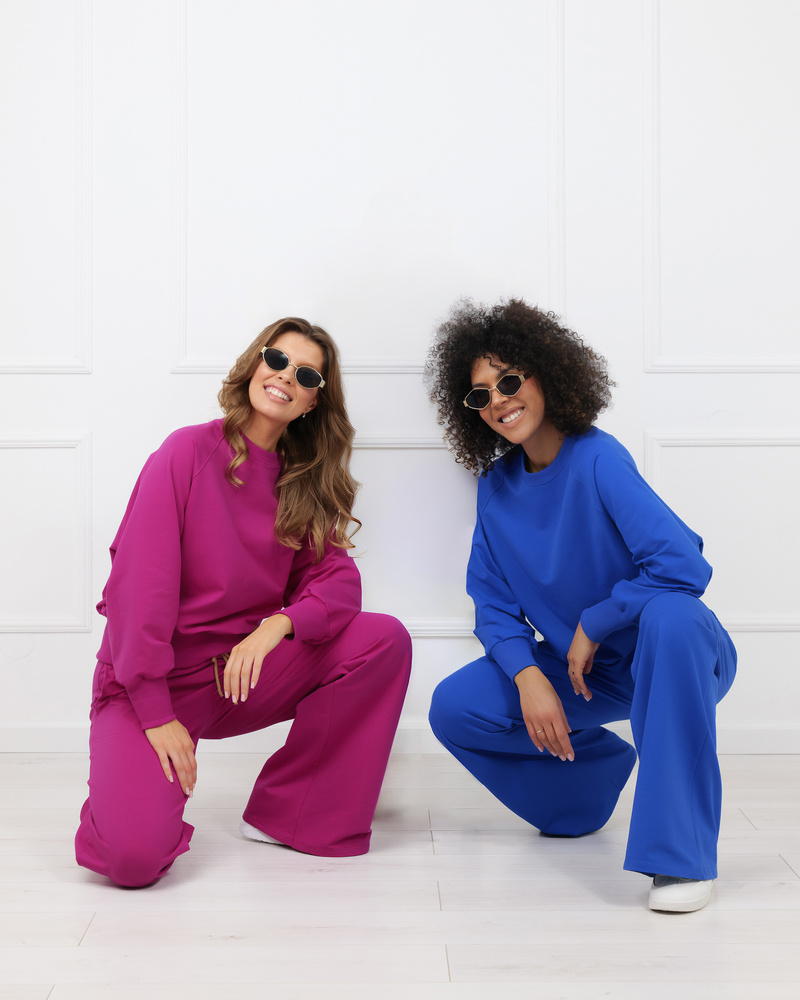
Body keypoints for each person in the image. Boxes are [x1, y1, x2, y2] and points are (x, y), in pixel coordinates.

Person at [75, 317, 412, 887]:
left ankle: (290, 815)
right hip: (149, 683)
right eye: (276, 360)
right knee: (132, 861)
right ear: (256, 363)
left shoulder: (299, 482)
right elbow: (138, 589)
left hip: (238, 674)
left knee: (381, 639)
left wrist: (277, 625)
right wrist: (156, 713)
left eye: (306, 374)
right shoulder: (187, 452)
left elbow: (337, 581)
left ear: (312, 401)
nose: (285, 377)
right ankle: (122, 798)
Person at [425, 299, 736, 912]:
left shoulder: (598, 456)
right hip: (585, 674)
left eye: (509, 381)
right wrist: (527, 676)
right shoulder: (496, 487)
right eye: (481, 394)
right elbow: (492, 603)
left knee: (672, 616)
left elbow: (683, 565)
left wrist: (596, 621)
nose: (499, 401)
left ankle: (681, 861)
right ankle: (585, 791)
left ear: (546, 373)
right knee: (456, 707)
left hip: (673, 654)